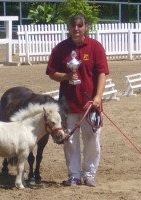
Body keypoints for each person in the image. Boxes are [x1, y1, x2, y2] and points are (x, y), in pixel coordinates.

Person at [46, 13, 109, 187]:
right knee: (70, 141)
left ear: (85, 27)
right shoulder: (60, 49)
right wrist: (66, 76)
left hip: (91, 104)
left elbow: (102, 74)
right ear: (69, 27)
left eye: (80, 25)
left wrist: (98, 96)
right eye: (73, 25)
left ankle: (89, 174)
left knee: (92, 140)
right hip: (68, 104)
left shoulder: (96, 47)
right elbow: (51, 73)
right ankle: (74, 175)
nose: (76, 29)